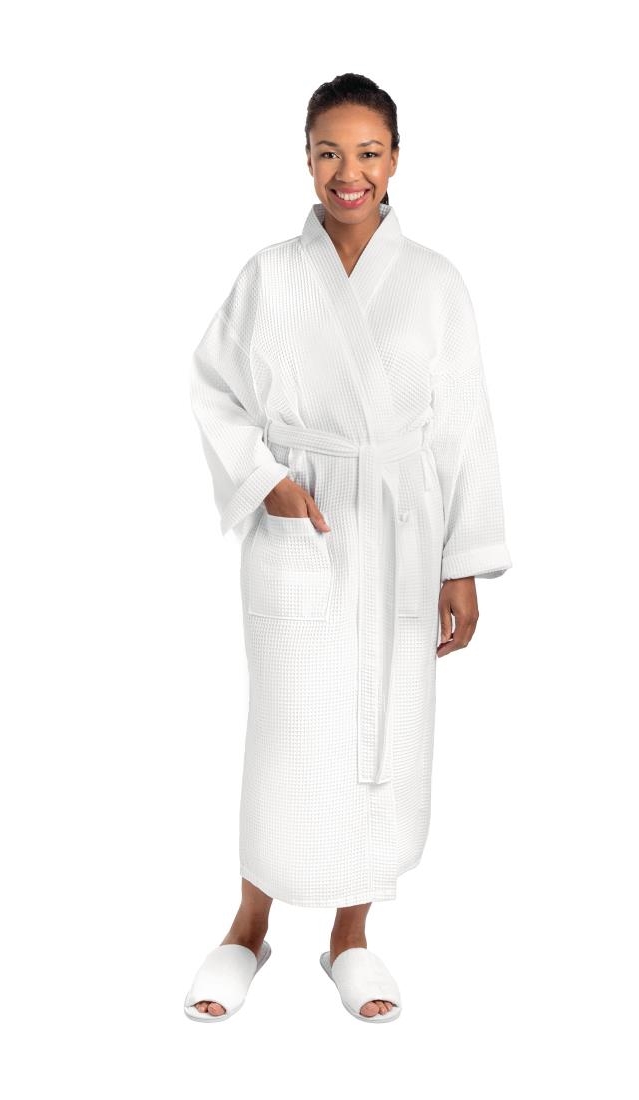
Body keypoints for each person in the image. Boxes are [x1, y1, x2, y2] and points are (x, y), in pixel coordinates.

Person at [184, 73, 512, 1024]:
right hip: (305, 526)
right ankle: (249, 926)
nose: (348, 172)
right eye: (329, 152)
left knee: (385, 729)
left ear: (395, 160)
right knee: (288, 736)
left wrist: (461, 562)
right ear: (307, 158)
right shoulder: (271, 275)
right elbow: (214, 388)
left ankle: (351, 937)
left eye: (368, 152)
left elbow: (464, 426)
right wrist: (267, 483)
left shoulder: (436, 282)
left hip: (402, 537)